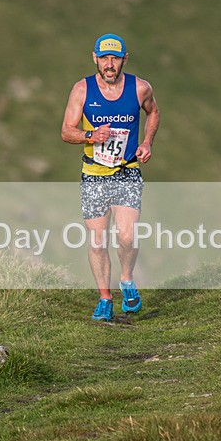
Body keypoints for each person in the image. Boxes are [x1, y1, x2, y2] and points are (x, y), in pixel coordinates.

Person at [61, 33, 160, 322]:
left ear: (124, 59)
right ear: (95, 58)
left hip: (127, 170)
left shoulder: (140, 88)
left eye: (115, 58)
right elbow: (66, 131)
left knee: (127, 236)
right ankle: (105, 297)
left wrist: (147, 142)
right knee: (97, 241)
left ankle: (126, 279)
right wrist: (90, 135)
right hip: (94, 173)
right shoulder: (82, 90)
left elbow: (153, 113)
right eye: (104, 58)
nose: (109, 64)